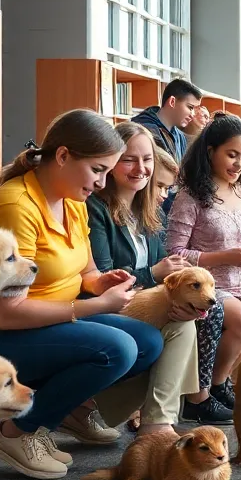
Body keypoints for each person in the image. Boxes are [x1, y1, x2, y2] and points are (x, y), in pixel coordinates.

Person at [0, 109, 161, 479]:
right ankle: (15, 431)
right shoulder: (16, 208)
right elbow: (9, 313)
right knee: (117, 349)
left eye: (107, 171)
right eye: (98, 170)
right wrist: (93, 306)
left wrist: (99, 283)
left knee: (148, 342)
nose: (103, 182)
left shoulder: (72, 199)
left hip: (45, 324)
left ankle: (65, 411)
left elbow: (86, 271)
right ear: (62, 157)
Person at [86, 122, 208, 434]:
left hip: (141, 303)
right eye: (129, 159)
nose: (141, 168)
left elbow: (161, 275)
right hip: (104, 307)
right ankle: (159, 419)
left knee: (189, 315)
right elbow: (101, 279)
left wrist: (175, 288)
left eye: (147, 159)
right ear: (111, 162)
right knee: (182, 325)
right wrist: (155, 273)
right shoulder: (94, 209)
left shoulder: (149, 212)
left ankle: (158, 417)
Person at [166, 113, 241, 423]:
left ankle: (222, 383)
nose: (239, 163)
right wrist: (225, 256)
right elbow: (175, 255)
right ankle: (208, 390)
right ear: (211, 152)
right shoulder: (190, 196)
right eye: (232, 155)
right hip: (204, 287)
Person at [132, 79, 202, 161]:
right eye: (190, 107)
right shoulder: (142, 131)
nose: (192, 114)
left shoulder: (180, 136)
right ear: (172, 102)